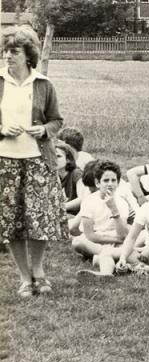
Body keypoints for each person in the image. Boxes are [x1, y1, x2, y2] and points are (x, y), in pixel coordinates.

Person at [0, 26, 66, 297]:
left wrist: (45, 130)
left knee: (39, 220)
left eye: (13, 51)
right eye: (5, 51)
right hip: (6, 163)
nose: (7, 56)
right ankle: (24, 278)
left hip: (38, 161)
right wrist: (2, 129)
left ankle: (39, 272)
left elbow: (57, 120)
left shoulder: (42, 84)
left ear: (29, 55)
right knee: (13, 221)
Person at [72, 160, 130, 277]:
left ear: (118, 183)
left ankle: (105, 272)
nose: (110, 184)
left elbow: (123, 234)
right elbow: (90, 235)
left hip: (114, 239)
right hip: (98, 240)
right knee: (77, 242)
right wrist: (116, 240)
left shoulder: (122, 202)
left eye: (113, 180)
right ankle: (111, 256)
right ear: (98, 183)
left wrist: (113, 208)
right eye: (106, 180)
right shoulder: (89, 201)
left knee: (99, 257)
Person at [56, 141, 83, 215]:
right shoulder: (54, 176)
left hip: (77, 216)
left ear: (68, 159)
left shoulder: (76, 173)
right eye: (52, 156)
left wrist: (61, 207)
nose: (54, 159)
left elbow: (83, 198)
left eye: (58, 156)